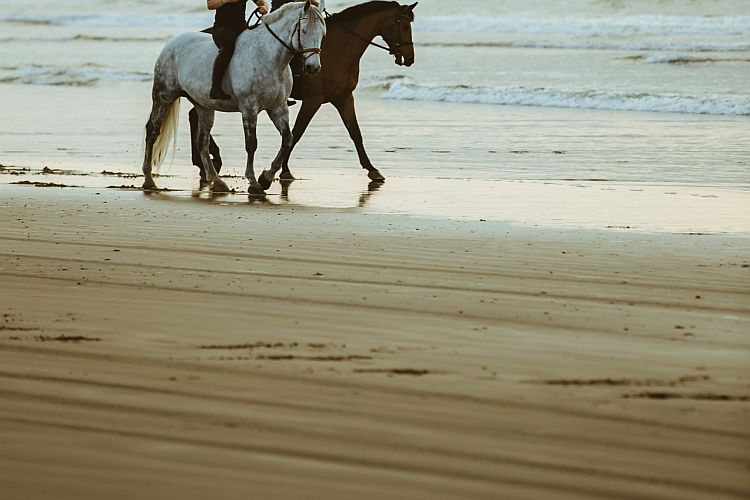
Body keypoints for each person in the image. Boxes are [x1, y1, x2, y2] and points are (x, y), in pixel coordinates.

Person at [207, 0, 269, 100]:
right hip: (222, 28)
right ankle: (215, 87)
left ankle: (270, 87)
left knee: (261, 43)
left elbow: (261, 2)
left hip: (241, 28)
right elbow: (210, 5)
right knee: (229, 45)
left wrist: (264, 7)